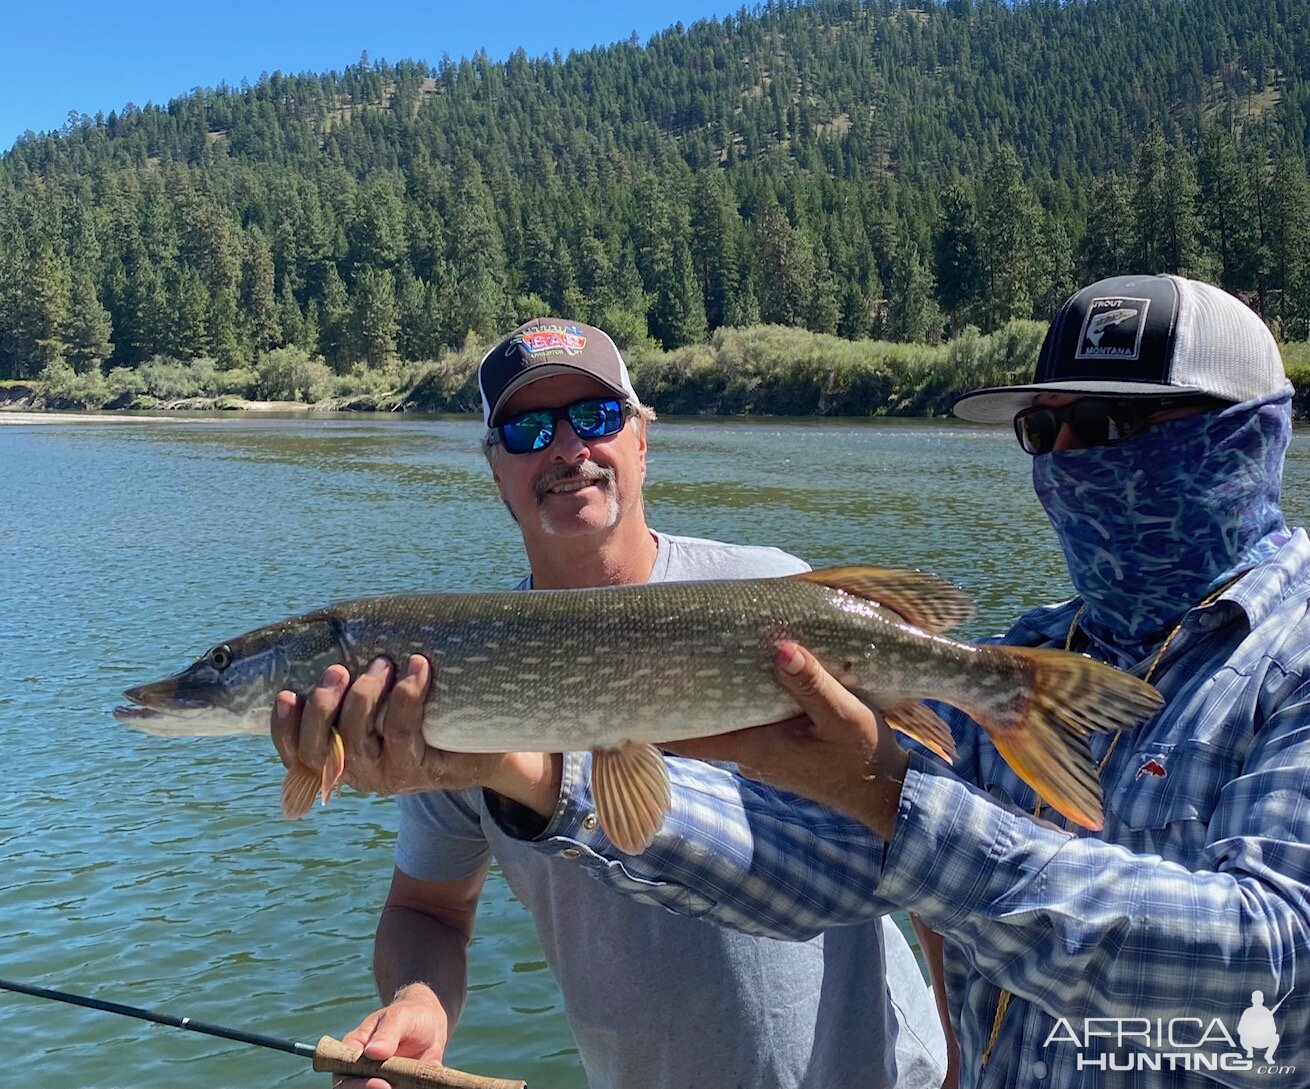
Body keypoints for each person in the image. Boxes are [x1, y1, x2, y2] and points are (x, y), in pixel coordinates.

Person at [492, 275, 1310, 1087]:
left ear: (1241, 435)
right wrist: (533, 772)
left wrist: (893, 794)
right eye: (1041, 429)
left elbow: (1275, 972)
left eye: (1102, 426)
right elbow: (829, 871)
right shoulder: (1033, 650)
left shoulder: (1295, 661)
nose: (1065, 462)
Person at [270, 317, 946, 1088]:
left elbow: (928, 830)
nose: (566, 449)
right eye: (528, 430)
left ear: (641, 439)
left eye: (595, 417)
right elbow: (428, 910)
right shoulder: (443, 680)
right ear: (496, 472)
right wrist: (419, 1000)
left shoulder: (771, 593)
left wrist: (968, 1058)